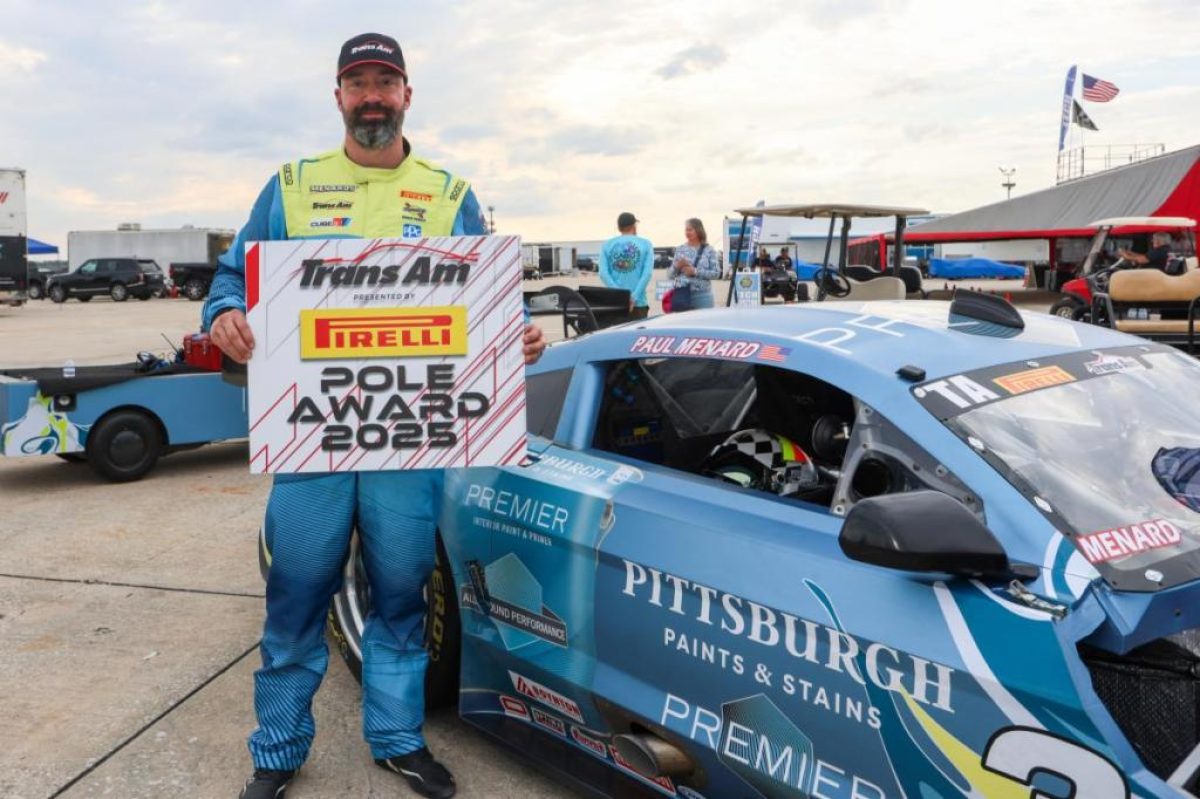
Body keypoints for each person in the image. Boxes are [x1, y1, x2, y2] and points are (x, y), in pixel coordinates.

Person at [204, 33, 546, 799]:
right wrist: (227, 312)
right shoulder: (291, 186)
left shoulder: (448, 192)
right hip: (311, 438)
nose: (371, 96)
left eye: (384, 82)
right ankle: (279, 748)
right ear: (337, 97)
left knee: (400, 590)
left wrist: (511, 334)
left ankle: (395, 738)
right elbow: (232, 278)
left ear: (406, 95)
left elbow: (486, 304)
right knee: (296, 588)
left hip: (406, 437)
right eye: (356, 82)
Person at [599, 211, 654, 319]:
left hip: (616, 303)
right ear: (634, 226)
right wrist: (633, 297)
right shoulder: (646, 244)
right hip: (639, 303)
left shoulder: (607, 245)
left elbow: (603, 274)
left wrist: (621, 297)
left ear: (619, 227)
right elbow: (647, 274)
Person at [667, 218, 721, 310]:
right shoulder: (680, 249)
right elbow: (670, 275)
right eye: (686, 230)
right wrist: (677, 266)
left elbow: (716, 273)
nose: (687, 232)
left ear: (698, 230)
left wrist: (695, 272)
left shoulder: (709, 250)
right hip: (682, 296)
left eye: (690, 230)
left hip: (703, 297)